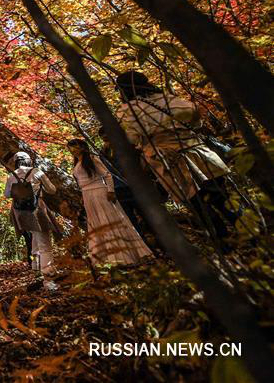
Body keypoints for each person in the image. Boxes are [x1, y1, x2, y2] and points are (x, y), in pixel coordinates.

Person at [115, 71, 238, 239]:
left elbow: (132, 137)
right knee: (221, 196)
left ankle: (223, 241)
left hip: (168, 160)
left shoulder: (127, 110)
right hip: (197, 150)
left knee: (197, 204)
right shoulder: (169, 99)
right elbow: (196, 118)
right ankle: (249, 234)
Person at [67, 139, 152, 266]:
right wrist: (83, 197)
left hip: (99, 192)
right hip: (87, 195)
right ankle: (107, 259)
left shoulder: (92, 158)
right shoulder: (77, 163)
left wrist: (111, 191)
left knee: (109, 221)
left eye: (75, 147)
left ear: (82, 147)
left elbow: (107, 175)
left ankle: (125, 257)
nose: (72, 150)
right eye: (70, 148)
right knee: (97, 224)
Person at [3, 152, 59, 289]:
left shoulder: (12, 176)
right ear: (28, 161)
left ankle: (36, 269)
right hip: (37, 211)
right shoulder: (36, 172)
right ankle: (48, 278)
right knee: (45, 243)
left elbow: (7, 195)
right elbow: (52, 190)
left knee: (35, 239)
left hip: (22, 213)